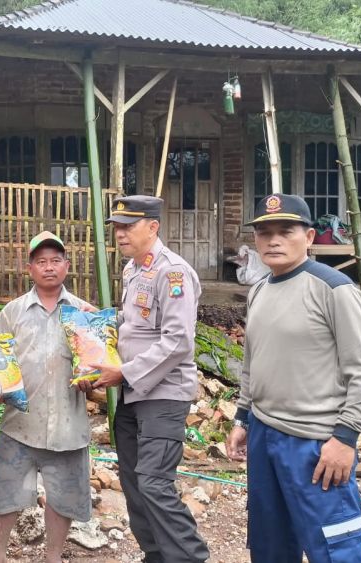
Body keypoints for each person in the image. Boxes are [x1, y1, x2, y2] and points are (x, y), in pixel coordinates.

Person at [226, 194, 361, 562]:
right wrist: (243, 417)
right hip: (264, 435)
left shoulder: (333, 288)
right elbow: (254, 361)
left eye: (286, 231)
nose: (274, 240)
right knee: (270, 543)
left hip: (314, 443)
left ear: (310, 237)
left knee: (336, 549)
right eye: (264, 233)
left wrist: (345, 439)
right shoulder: (260, 291)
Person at [89, 195, 210, 563]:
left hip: (163, 394)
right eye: (117, 227)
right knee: (133, 481)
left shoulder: (173, 273)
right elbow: (132, 325)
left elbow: (178, 341)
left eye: (129, 226)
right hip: (132, 393)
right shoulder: (133, 269)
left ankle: (190, 558)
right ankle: (156, 555)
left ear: (153, 227)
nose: (120, 234)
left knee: (155, 483)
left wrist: (123, 372)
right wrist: (96, 323)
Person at [0, 231, 93, 563]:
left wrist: (93, 380)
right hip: (20, 425)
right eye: (41, 261)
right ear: (29, 268)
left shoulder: (83, 313)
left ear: (67, 266)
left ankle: (53, 556)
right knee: (4, 494)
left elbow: (97, 365)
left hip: (68, 424)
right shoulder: (12, 312)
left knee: (64, 497)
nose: (49, 267)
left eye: (56, 260)